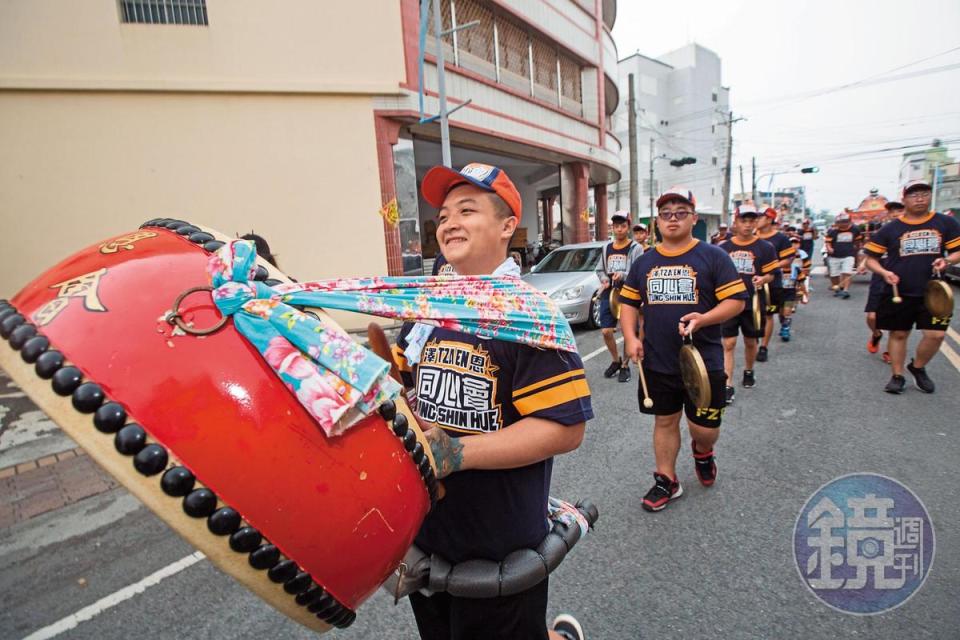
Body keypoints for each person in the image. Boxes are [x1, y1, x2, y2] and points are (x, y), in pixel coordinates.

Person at [392, 162, 593, 640]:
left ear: (507, 227)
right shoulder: (426, 311)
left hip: (500, 544)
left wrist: (457, 454)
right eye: (442, 216)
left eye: (467, 210)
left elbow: (566, 428)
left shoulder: (529, 316)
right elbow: (403, 397)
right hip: (429, 535)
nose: (449, 223)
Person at [619, 187, 747, 512]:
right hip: (658, 360)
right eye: (665, 214)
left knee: (704, 429)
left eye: (680, 212)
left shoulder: (713, 256)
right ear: (657, 222)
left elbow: (735, 301)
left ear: (694, 218)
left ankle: (703, 452)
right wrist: (631, 338)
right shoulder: (645, 262)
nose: (672, 219)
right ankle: (667, 480)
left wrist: (704, 319)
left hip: (704, 362)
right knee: (664, 420)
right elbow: (629, 304)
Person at [864, 179, 960, 394]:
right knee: (898, 334)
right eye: (914, 194)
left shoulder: (945, 223)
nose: (919, 198)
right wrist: (884, 272)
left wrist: (948, 261)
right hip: (899, 290)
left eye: (924, 194)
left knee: (936, 335)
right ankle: (897, 376)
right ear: (904, 199)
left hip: (934, 292)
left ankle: (917, 367)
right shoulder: (891, 229)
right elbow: (870, 259)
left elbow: (957, 251)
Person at [718, 205, 778, 404]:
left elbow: (772, 274)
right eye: (744, 220)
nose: (747, 224)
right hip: (728, 302)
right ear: (735, 222)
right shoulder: (723, 248)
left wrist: (763, 279)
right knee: (729, 343)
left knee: (751, 342)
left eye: (752, 221)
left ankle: (749, 370)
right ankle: (727, 384)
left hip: (753, 303)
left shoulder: (765, 248)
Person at [596, 212, 644, 383]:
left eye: (623, 226)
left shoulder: (636, 248)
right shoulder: (606, 247)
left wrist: (623, 275)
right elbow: (599, 269)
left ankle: (624, 365)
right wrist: (604, 279)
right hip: (610, 294)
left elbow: (640, 271)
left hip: (629, 293)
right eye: (616, 226)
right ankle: (615, 360)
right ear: (612, 228)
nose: (619, 229)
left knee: (627, 330)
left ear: (628, 227)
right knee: (606, 331)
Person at [755, 207, 797, 362]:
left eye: (759, 217)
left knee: (768, 314)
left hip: (772, 283)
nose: (756, 219)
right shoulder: (752, 237)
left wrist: (772, 266)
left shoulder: (781, 239)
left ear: (769, 219)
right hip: (752, 282)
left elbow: (789, 259)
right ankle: (753, 340)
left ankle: (763, 347)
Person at [864, 202, 903, 362]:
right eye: (892, 211)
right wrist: (862, 264)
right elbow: (871, 256)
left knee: (896, 318)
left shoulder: (912, 232)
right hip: (880, 276)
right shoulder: (884, 232)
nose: (895, 214)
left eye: (899, 210)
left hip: (900, 279)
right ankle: (876, 333)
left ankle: (890, 351)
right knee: (872, 317)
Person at [824, 212, 863, 299]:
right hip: (834, 255)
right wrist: (829, 248)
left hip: (849, 254)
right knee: (834, 275)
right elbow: (828, 242)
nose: (843, 224)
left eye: (845, 221)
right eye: (841, 222)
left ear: (849, 221)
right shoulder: (832, 231)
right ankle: (837, 289)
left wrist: (857, 248)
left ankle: (845, 290)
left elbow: (858, 241)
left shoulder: (855, 230)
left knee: (847, 272)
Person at [779, 236, 809, 341]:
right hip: (777, 293)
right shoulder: (777, 269)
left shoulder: (796, 269)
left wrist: (805, 293)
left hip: (790, 293)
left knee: (787, 311)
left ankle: (786, 329)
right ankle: (783, 324)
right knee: (780, 312)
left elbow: (801, 282)